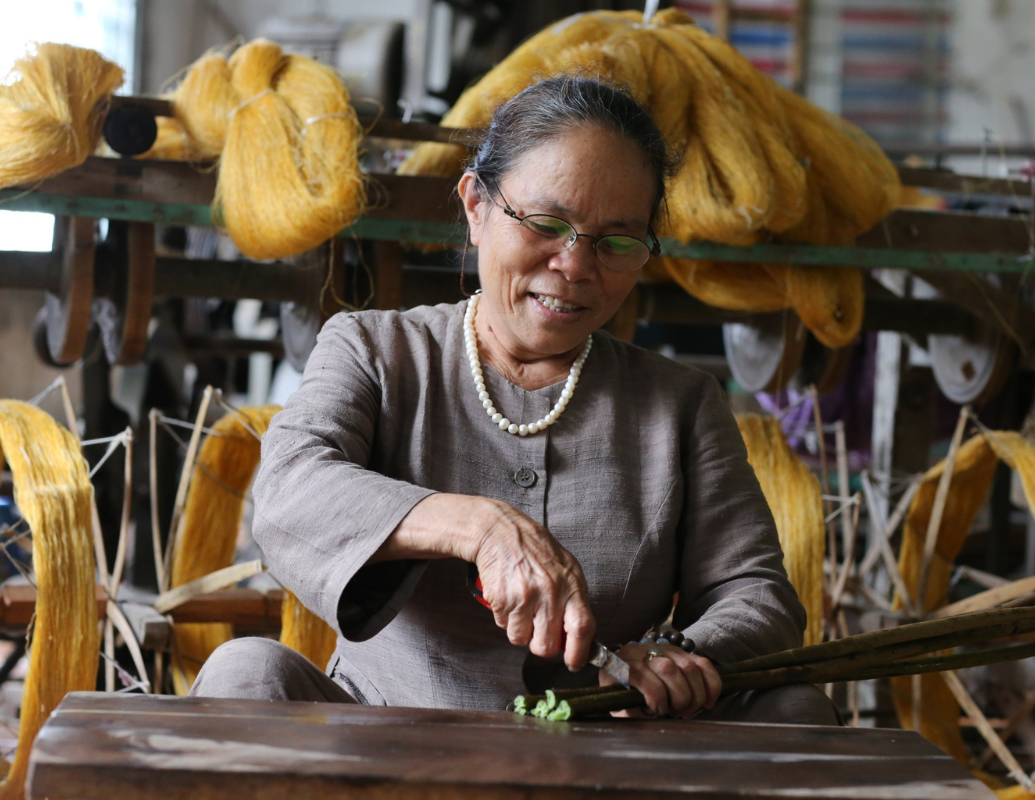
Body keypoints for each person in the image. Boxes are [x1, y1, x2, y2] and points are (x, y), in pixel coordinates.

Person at [192, 76, 840, 725]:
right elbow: (289, 491)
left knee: (796, 711)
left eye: (616, 242)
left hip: (606, 754)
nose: (576, 265)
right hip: (385, 738)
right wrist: (480, 528)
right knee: (245, 673)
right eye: (546, 224)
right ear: (476, 206)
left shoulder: (680, 407)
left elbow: (755, 594)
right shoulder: (374, 351)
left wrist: (680, 654)